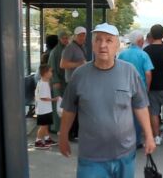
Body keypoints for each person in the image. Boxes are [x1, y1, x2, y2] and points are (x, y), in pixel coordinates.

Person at [59, 23, 155, 178]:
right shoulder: (79, 75)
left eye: (109, 40)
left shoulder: (129, 71)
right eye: (98, 40)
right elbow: (69, 109)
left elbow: (140, 106)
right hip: (91, 158)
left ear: (117, 45)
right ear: (93, 44)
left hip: (125, 155)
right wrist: (63, 136)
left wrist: (149, 136)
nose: (103, 45)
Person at [118, 30, 154, 149]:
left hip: (124, 88)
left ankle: (125, 139)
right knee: (139, 114)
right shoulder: (143, 55)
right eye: (142, 40)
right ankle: (137, 140)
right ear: (139, 41)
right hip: (139, 89)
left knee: (125, 114)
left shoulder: (123, 54)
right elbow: (148, 73)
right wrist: (147, 88)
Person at [60, 26, 87, 140]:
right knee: (72, 109)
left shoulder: (81, 47)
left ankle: (75, 133)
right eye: (80, 35)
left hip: (79, 82)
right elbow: (62, 64)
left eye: (84, 35)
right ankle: (70, 133)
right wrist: (79, 64)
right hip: (72, 82)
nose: (82, 37)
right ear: (75, 36)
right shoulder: (70, 48)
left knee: (77, 108)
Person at [47, 30, 69, 133]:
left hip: (64, 82)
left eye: (67, 38)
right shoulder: (55, 52)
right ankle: (57, 127)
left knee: (63, 105)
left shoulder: (66, 49)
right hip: (58, 82)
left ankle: (63, 127)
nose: (66, 40)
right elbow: (51, 68)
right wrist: (55, 81)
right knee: (58, 105)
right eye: (63, 38)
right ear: (60, 39)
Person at [35, 64, 60, 149]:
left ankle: (47, 138)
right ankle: (38, 141)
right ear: (45, 73)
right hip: (43, 109)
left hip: (45, 108)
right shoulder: (43, 84)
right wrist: (54, 99)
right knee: (43, 126)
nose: (51, 73)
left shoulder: (44, 82)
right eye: (50, 71)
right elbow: (43, 97)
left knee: (45, 125)